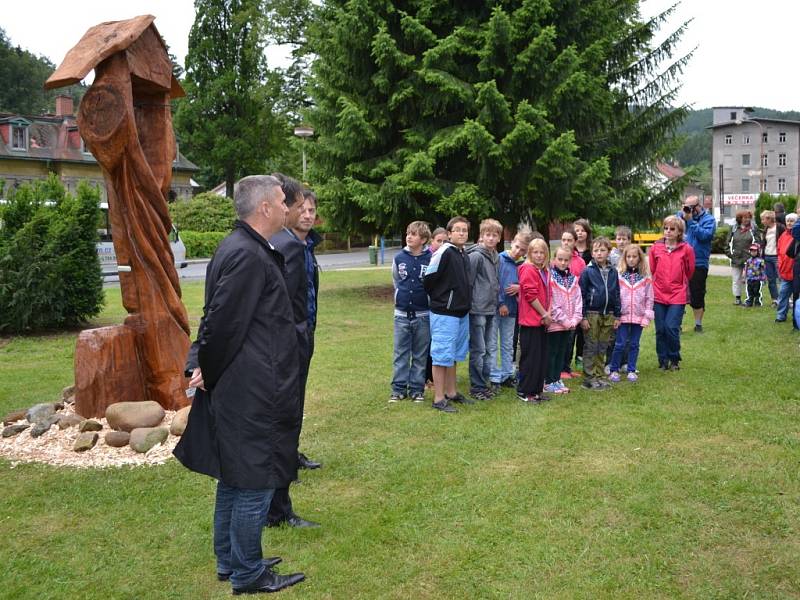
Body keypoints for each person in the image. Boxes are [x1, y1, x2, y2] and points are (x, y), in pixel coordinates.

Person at [173, 175, 305, 595]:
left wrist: (204, 364)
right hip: (252, 388)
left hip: (245, 383)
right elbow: (223, 325)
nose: (289, 208)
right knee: (254, 479)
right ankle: (247, 573)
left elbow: (216, 318)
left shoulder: (244, 247)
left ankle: (231, 561)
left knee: (235, 476)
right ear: (264, 208)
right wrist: (205, 367)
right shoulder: (247, 254)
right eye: (283, 201)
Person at [266, 174, 320, 529]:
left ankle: (277, 499)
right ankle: (277, 509)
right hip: (283, 348)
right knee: (280, 422)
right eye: (294, 205)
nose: (301, 212)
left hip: (296, 340)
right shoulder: (284, 247)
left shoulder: (294, 246)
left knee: (287, 418)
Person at [423, 216, 473, 413]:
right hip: (444, 312)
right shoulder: (444, 252)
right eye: (458, 230)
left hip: (461, 312)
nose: (462, 233)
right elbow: (429, 280)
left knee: (453, 355)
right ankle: (438, 398)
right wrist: (444, 299)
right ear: (450, 233)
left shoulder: (463, 254)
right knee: (441, 355)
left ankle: (452, 392)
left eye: (465, 230)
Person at [293, 188, 323, 470]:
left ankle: (292, 451)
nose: (307, 215)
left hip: (307, 331)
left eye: (311, 210)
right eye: (301, 209)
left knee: (299, 394)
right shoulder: (286, 247)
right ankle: (285, 458)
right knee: (287, 398)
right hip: (290, 335)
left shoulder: (307, 248)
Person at [390, 221, 432, 402]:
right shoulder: (399, 258)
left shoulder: (429, 259)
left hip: (422, 315)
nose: (409, 236)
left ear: (423, 239)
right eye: (408, 233)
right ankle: (398, 389)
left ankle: (417, 389)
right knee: (400, 353)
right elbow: (396, 279)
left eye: (414, 234)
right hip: (401, 315)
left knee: (420, 354)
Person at [649, 215, 695, 370]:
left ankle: (674, 358)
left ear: (679, 232)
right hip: (659, 293)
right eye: (666, 228)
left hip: (677, 294)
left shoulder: (686, 249)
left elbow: (689, 271)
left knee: (671, 327)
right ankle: (662, 360)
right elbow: (653, 269)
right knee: (660, 329)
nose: (668, 231)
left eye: (672, 229)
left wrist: (678, 283)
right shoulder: (656, 248)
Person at [490, 227, 532, 388]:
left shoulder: (522, 265)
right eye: (516, 247)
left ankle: (507, 374)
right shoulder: (499, 259)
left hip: (513, 310)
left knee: (508, 344)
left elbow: (527, 284)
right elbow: (495, 282)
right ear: (511, 243)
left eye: (522, 250)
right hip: (496, 308)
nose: (518, 251)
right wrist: (501, 303)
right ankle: (494, 376)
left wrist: (520, 287)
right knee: (492, 344)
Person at [578, 237, 620, 390]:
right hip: (592, 313)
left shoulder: (613, 272)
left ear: (609, 252)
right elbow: (581, 294)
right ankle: (589, 377)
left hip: (608, 314)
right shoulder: (587, 271)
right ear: (592, 252)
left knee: (603, 346)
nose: (599, 253)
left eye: (603, 250)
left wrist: (617, 314)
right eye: (596, 250)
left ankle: (600, 375)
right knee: (591, 345)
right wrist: (582, 316)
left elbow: (616, 293)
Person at [467, 219, 502, 400]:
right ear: (482, 236)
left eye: (494, 235)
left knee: (489, 349)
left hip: (491, 308)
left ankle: (485, 382)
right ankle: (477, 386)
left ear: (498, 238)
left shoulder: (496, 256)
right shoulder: (476, 256)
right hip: (477, 309)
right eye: (487, 234)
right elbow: (469, 282)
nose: (490, 238)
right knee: (478, 350)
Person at [608, 244, 653, 383]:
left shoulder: (645, 277)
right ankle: (614, 369)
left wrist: (647, 316)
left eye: (634, 257)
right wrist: (616, 314)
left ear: (640, 258)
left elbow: (649, 297)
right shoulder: (619, 275)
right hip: (622, 316)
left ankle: (631, 370)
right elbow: (615, 295)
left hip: (639, 317)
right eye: (629, 257)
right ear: (624, 258)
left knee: (634, 344)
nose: (631, 259)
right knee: (620, 343)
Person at [517, 238, 552, 403]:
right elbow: (530, 295)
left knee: (540, 358)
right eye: (535, 252)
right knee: (530, 358)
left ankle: (537, 390)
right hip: (530, 321)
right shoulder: (527, 269)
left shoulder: (544, 270)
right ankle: (525, 391)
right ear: (529, 253)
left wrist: (548, 313)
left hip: (542, 321)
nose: (539, 255)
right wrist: (544, 313)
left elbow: (548, 293)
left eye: (542, 252)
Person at [544, 246, 582, 395]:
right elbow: (551, 302)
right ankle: (548, 381)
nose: (562, 262)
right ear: (554, 259)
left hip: (569, 324)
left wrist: (576, 318)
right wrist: (565, 320)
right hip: (555, 324)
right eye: (559, 259)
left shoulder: (573, 279)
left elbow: (578, 299)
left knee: (562, 352)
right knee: (552, 352)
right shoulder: (550, 277)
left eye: (566, 260)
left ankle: (556, 379)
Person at [679, 194, 717, 333]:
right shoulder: (681, 217)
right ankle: (678, 324)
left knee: (697, 294)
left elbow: (705, 236)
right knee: (679, 293)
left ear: (698, 206)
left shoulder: (709, 219)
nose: (688, 210)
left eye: (690, 207)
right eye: (686, 207)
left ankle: (698, 324)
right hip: (680, 261)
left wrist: (691, 222)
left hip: (699, 262)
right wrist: (683, 219)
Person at [559, 227, 586, 379]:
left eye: (569, 240)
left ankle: (566, 368)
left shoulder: (580, 262)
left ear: (575, 242)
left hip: (574, 306)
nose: (566, 243)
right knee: (561, 340)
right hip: (559, 308)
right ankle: (560, 368)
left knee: (571, 339)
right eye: (563, 240)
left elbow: (581, 285)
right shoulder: (555, 259)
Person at [424, 227, 448, 386]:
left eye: (445, 241)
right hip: (426, 305)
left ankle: (433, 378)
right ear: (432, 240)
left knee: (437, 343)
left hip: (440, 306)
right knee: (426, 343)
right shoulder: (427, 257)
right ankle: (424, 377)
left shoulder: (448, 256)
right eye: (439, 241)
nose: (441, 244)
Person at [726, 209, 760, 305]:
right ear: (740, 219)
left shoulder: (753, 228)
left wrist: (755, 254)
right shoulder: (733, 228)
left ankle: (752, 298)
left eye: (748, 217)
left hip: (750, 258)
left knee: (751, 279)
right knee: (736, 279)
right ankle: (737, 298)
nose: (747, 220)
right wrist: (730, 255)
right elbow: (726, 243)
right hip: (736, 257)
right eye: (744, 218)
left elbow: (758, 242)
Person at [776, 212, 798, 323]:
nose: (789, 223)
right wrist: (780, 264)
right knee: (783, 294)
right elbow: (779, 252)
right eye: (788, 221)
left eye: (792, 221)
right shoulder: (783, 236)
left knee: (797, 296)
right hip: (785, 271)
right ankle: (781, 315)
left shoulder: (797, 236)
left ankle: (797, 316)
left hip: (796, 271)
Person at [759, 210, 784, 306]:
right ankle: (775, 299)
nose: (762, 221)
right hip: (767, 257)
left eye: (763, 219)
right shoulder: (765, 229)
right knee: (771, 280)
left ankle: (784, 299)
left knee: (782, 279)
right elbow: (764, 243)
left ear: (769, 219)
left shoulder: (780, 227)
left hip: (777, 257)